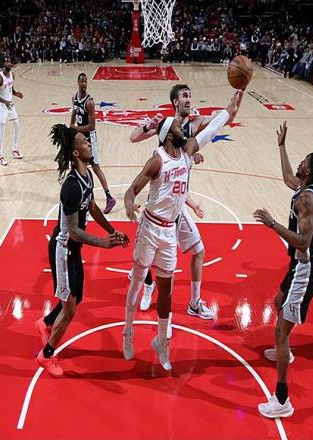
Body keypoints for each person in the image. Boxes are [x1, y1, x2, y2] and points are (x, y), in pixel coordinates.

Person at [123, 90, 243, 370]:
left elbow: (211, 130)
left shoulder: (187, 152)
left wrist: (228, 111)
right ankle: (128, 332)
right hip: (150, 227)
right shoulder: (157, 160)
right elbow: (132, 189)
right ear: (167, 135)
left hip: (169, 231)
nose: (182, 128)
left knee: (166, 291)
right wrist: (129, 205)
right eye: (177, 126)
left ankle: (161, 342)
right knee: (138, 282)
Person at [35, 123, 129, 377]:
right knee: (70, 309)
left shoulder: (87, 176)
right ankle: (46, 355)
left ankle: (45, 322)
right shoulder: (71, 186)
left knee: (77, 298)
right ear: (76, 152)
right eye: (84, 142)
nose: (89, 143)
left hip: (73, 250)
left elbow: (93, 207)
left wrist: (111, 230)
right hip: (63, 250)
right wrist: (103, 243)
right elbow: (73, 230)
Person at [254, 121, 313, 418]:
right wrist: (282, 146)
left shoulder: (307, 198)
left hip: (305, 268)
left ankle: (282, 400)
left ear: (307, 170)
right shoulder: (304, 187)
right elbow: (287, 176)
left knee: (281, 332)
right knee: (277, 302)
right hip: (298, 264)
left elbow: (303, 241)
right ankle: (284, 350)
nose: (298, 163)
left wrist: (273, 224)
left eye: (302, 161)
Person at [70, 73, 116, 214]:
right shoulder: (74, 98)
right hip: (79, 136)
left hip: (89, 137)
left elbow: (92, 126)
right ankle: (79, 194)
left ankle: (109, 197)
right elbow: (73, 115)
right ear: (78, 82)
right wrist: (70, 130)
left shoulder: (89, 102)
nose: (84, 84)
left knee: (95, 167)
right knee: (75, 165)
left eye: (85, 82)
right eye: (82, 81)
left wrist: (77, 128)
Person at [0, 60, 24, 166]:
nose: (9, 63)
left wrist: (16, 93)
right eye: (6, 62)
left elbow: (10, 88)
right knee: (2, 130)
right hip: (2, 106)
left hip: (9, 104)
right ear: (3, 65)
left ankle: (14, 149)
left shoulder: (12, 75)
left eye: (10, 62)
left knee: (17, 126)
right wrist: (5, 102)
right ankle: (0, 156)